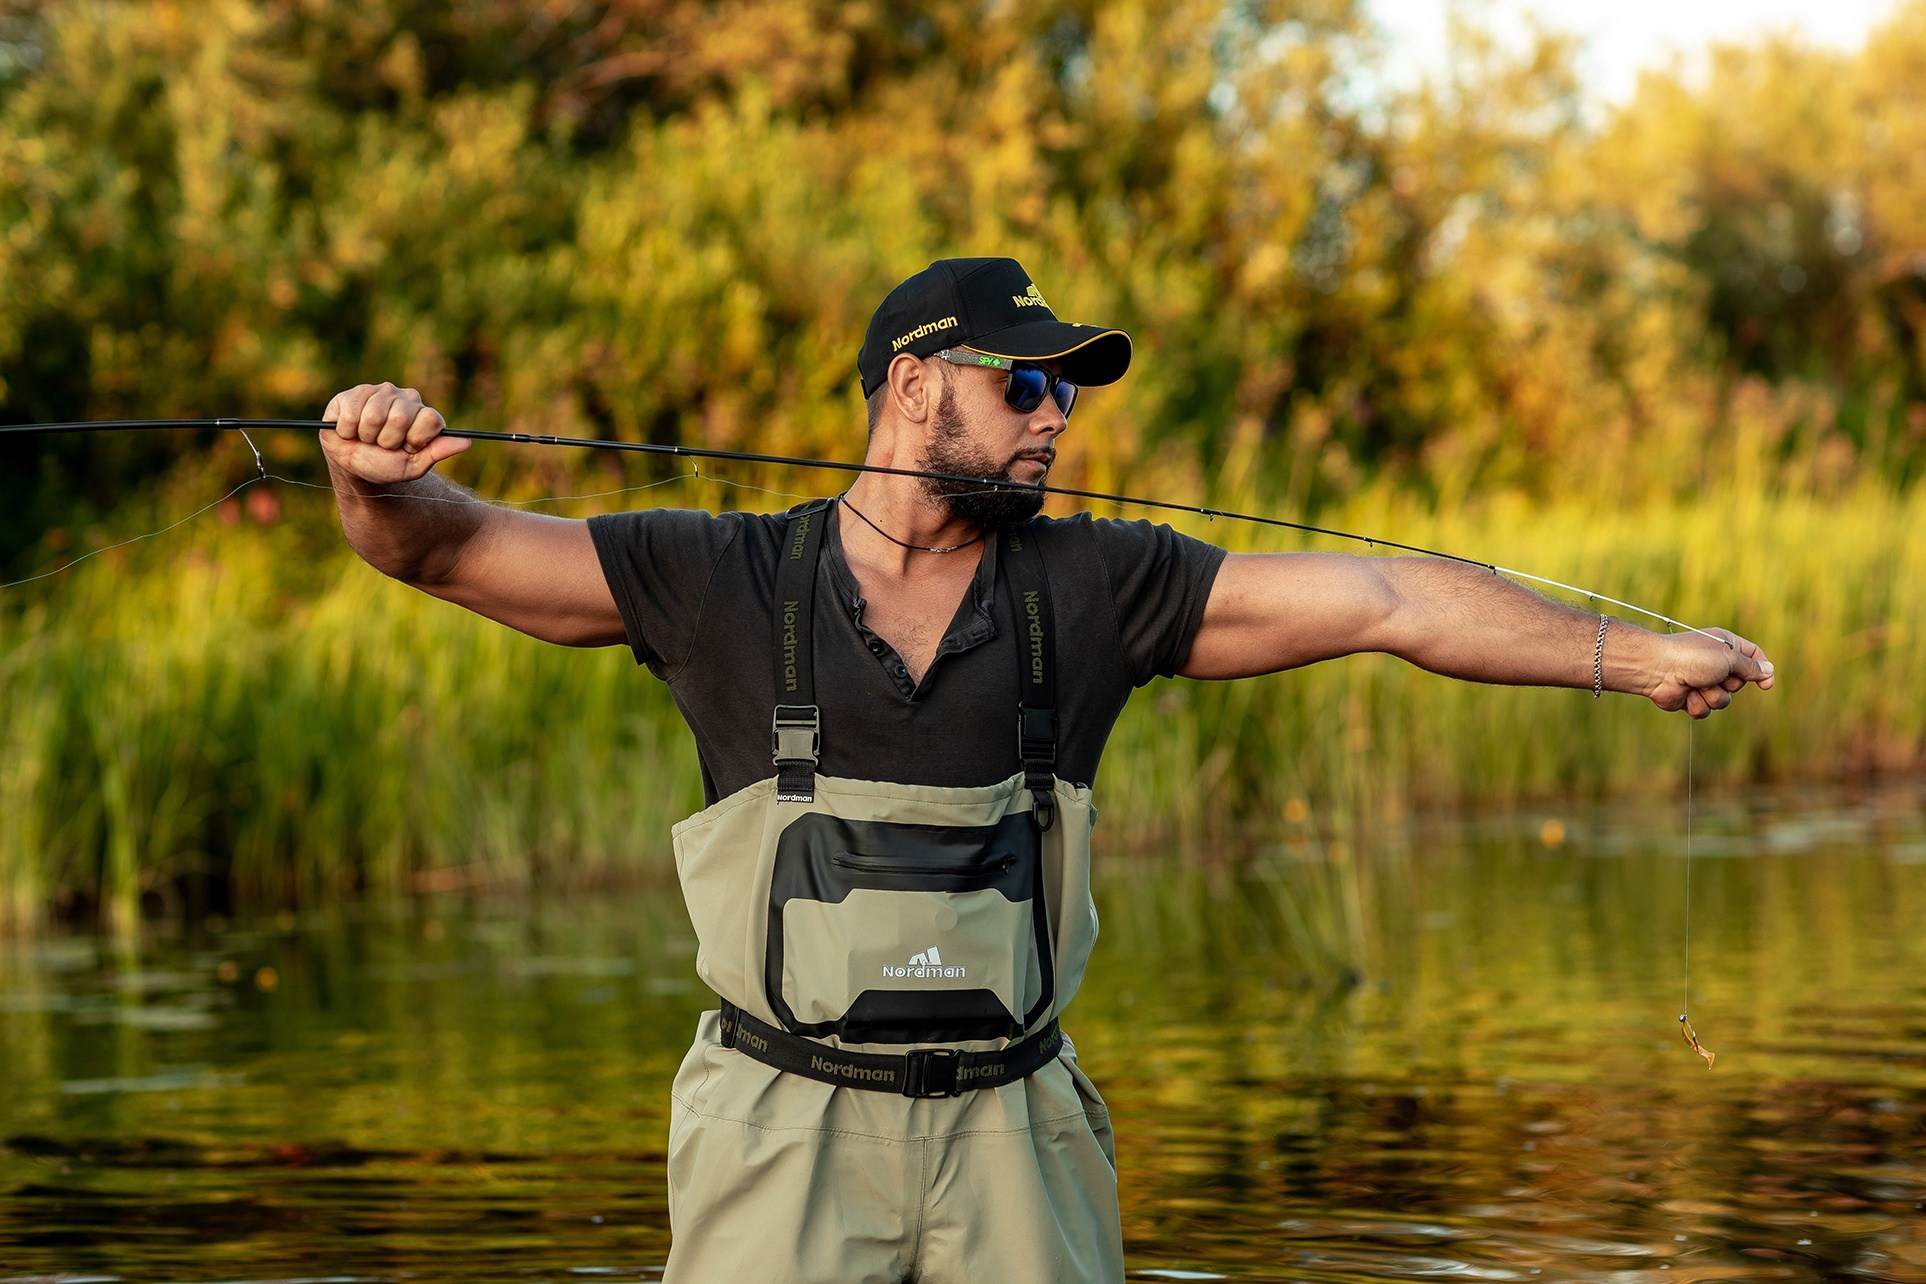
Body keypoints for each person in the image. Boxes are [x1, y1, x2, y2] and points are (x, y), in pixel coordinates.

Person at [320, 257, 1774, 1283]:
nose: (1055, 416)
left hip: (1019, 1134)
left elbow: (1385, 599)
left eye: (1065, 392)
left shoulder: (1101, 585)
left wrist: (1632, 656)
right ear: (910, 387)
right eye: (1022, 382)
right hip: (776, 1131)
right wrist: (372, 476)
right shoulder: (716, 576)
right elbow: (444, 547)